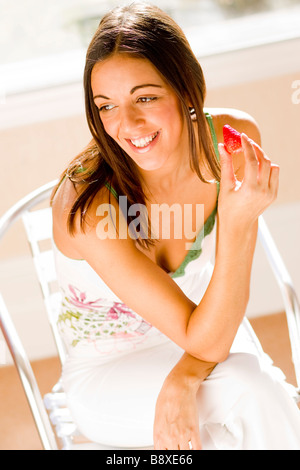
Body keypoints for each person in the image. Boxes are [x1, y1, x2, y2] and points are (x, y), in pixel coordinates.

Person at [51, 1, 300, 450]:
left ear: (186, 89)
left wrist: (186, 375)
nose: (126, 125)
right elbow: (203, 335)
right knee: (254, 393)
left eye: (145, 97)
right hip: (113, 370)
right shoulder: (90, 208)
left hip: (209, 333)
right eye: (106, 105)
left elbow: (207, 333)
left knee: (242, 419)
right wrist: (238, 223)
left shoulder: (227, 145)